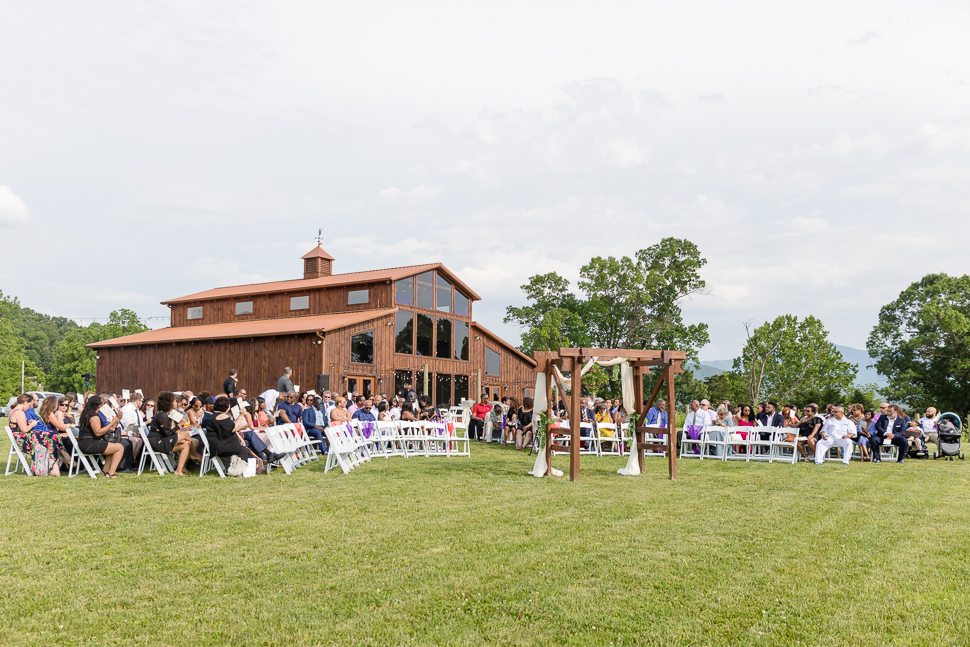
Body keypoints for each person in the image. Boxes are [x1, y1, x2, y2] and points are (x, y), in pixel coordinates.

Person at [148, 392, 200, 476]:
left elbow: (169, 432)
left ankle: (179, 470)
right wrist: (179, 425)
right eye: (175, 401)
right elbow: (168, 433)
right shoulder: (162, 415)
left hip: (164, 440)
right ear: (168, 403)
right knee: (186, 434)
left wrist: (179, 439)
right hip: (158, 443)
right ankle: (194, 454)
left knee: (186, 444)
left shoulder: (167, 414)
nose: (177, 403)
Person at [76, 395, 126, 478]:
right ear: (99, 405)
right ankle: (111, 472)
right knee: (120, 447)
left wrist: (116, 420)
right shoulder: (94, 417)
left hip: (86, 442)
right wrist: (112, 423)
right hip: (89, 444)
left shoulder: (88, 414)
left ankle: (105, 471)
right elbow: (98, 432)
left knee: (112, 445)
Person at [204, 397, 252, 467]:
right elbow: (234, 428)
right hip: (220, 446)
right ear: (227, 406)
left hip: (222, 444)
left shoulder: (218, 415)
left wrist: (240, 438)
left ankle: (236, 469)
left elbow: (230, 428)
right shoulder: (221, 416)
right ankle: (238, 471)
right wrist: (242, 415)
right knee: (242, 450)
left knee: (242, 448)